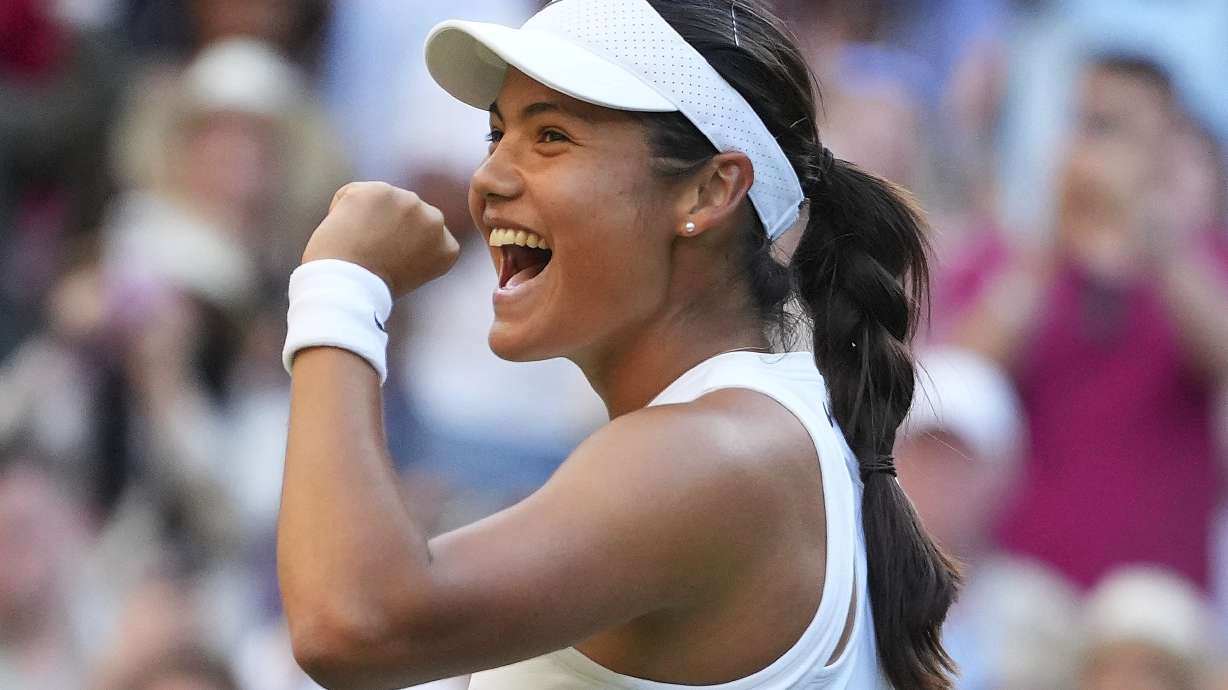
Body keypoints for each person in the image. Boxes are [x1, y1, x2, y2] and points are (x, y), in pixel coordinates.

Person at [276, 1, 959, 689]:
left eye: (550, 137)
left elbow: (353, 622)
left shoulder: (710, 452)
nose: (488, 179)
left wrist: (341, 284)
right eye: (495, 135)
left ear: (709, 190)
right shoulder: (747, 432)